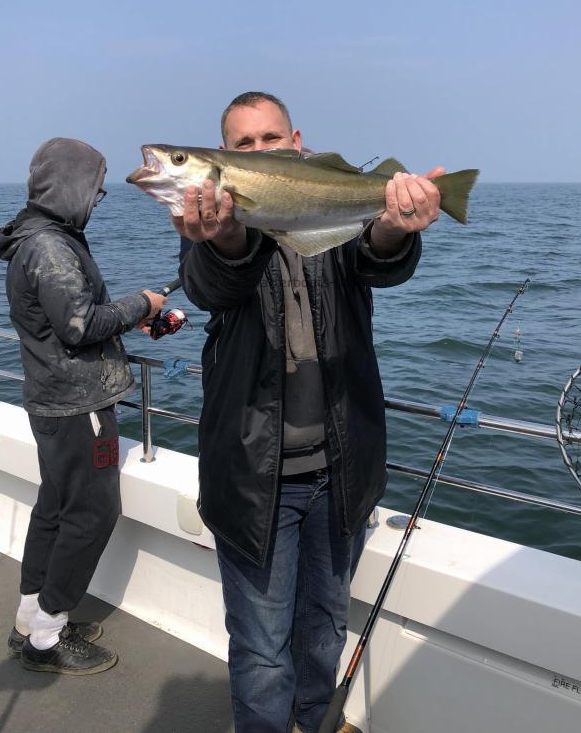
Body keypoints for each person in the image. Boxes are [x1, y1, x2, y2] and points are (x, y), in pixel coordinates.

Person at [174, 92, 443, 732]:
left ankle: (312, 720)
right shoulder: (205, 226)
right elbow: (211, 282)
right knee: (263, 650)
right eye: (243, 144)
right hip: (251, 474)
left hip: (341, 467)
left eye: (270, 138)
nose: (259, 150)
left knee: (325, 627)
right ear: (223, 158)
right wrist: (228, 237)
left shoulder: (332, 201)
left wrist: (394, 220)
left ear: (297, 141)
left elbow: (376, 259)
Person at [0, 137, 167, 675]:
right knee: (92, 514)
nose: (97, 199)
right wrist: (143, 303)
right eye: (94, 188)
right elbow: (79, 325)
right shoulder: (50, 247)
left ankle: (32, 616)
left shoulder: (38, 239)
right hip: (77, 406)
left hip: (53, 401)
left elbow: (73, 318)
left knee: (55, 508)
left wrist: (128, 316)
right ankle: (47, 636)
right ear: (68, 186)